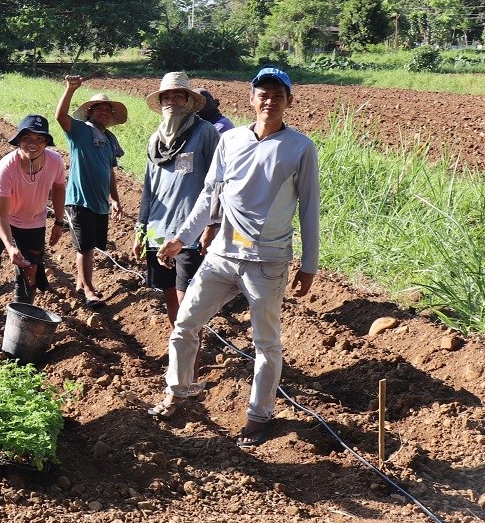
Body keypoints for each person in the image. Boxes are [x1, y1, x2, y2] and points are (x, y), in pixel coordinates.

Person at [153, 67, 320, 448]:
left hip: (267, 261)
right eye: (263, 93)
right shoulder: (231, 141)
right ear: (251, 99)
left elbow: (310, 209)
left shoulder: (299, 147)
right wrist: (181, 238)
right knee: (184, 323)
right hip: (222, 255)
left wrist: (309, 265)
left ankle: (258, 416)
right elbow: (209, 197)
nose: (269, 100)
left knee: (266, 343)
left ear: (289, 101)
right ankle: (178, 392)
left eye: (278, 94)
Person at [0, 114, 67, 334]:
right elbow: (1, 215)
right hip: (0, 217)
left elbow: (58, 188)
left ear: (47, 143)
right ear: (18, 140)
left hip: (33, 221)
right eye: (27, 138)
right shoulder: (7, 167)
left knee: (30, 270)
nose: (33, 144)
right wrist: (10, 246)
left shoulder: (55, 161)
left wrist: (59, 221)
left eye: (40, 139)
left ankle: (20, 325)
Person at [132, 72, 220, 326]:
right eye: (166, 97)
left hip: (189, 234)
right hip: (158, 232)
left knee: (189, 306)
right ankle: (178, 357)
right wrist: (141, 228)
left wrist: (211, 226)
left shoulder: (204, 133)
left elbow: (218, 184)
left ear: (188, 101)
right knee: (170, 297)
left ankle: (189, 365)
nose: (171, 101)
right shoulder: (155, 140)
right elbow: (150, 187)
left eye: (177, 96)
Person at [54, 76, 127, 306]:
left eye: (108, 109)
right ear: (90, 112)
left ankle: (80, 282)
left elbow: (110, 172)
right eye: (99, 108)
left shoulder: (109, 140)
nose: (103, 112)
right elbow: (60, 117)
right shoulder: (80, 131)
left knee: (91, 246)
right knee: (84, 248)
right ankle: (88, 290)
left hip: (100, 202)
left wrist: (115, 199)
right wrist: (70, 89)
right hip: (79, 200)